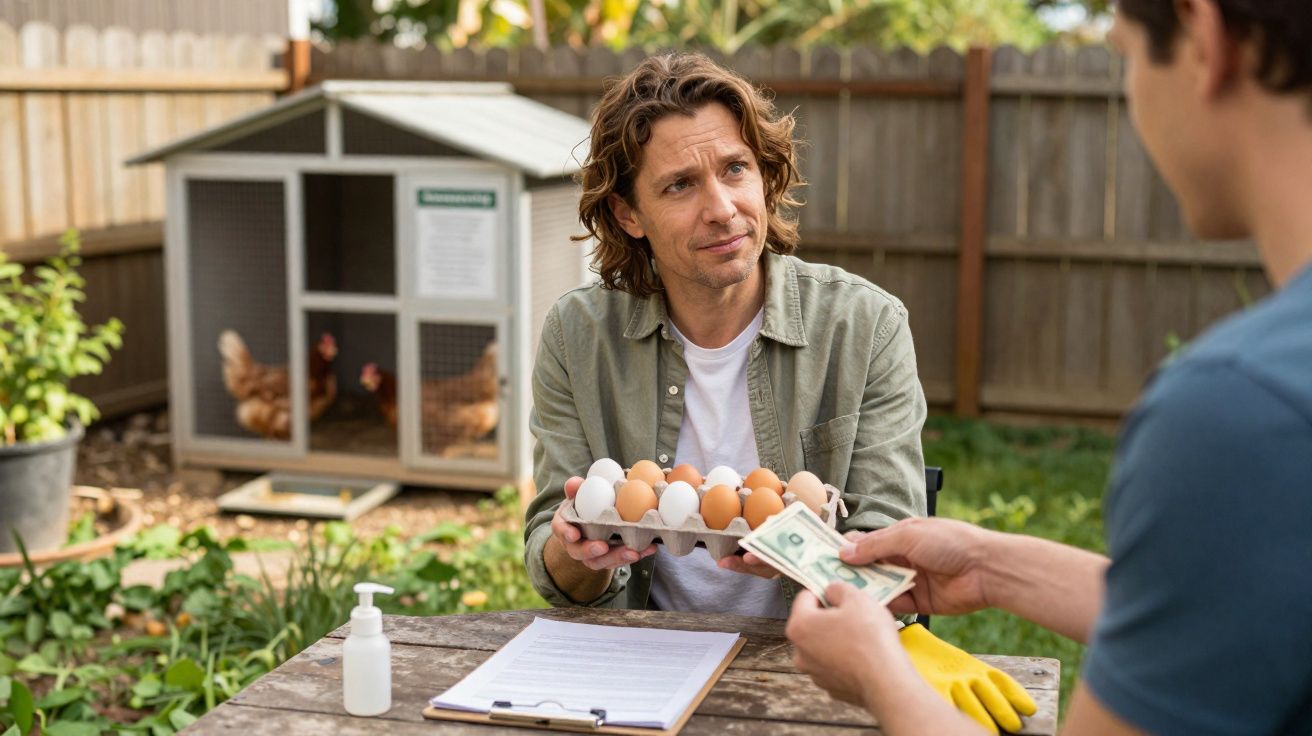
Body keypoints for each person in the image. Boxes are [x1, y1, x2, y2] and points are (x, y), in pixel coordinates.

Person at [784, 1, 1312, 733]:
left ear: (1205, 38)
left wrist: (876, 672)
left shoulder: (1240, 411)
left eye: (1125, 56)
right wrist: (990, 566)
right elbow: (1244, 602)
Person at [522, 53, 928, 616]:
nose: (721, 208)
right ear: (628, 215)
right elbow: (556, 573)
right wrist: (576, 548)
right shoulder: (577, 336)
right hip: (642, 657)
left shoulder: (864, 326)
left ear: (764, 176)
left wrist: (802, 556)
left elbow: (895, 567)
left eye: (735, 169)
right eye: (680, 186)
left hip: (811, 653)